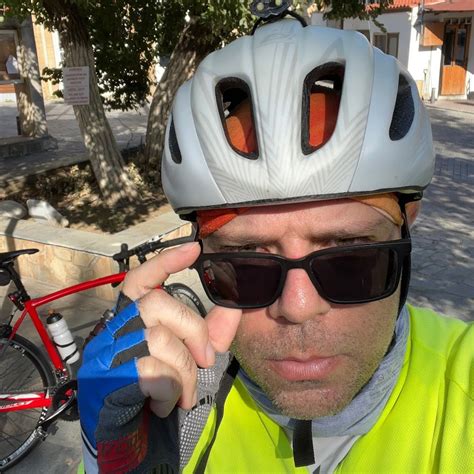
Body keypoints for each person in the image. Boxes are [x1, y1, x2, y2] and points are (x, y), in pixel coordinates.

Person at [77, 7, 473, 474]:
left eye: (350, 258)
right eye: (247, 264)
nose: (297, 307)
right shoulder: (166, 404)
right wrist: (110, 461)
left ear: (408, 222)